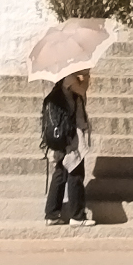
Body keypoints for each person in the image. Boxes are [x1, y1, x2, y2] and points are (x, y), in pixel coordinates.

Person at [38, 69, 93, 226]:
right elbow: (82, 90)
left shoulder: (61, 81)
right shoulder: (69, 78)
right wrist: (87, 75)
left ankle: (52, 214)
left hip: (61, 135)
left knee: (60, 173)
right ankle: (77, 216)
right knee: (75, 173)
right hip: (71, 137)